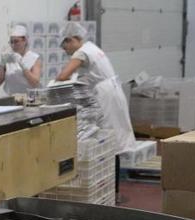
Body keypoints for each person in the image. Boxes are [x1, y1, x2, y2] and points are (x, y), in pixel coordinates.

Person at [55, 22, 136, 153]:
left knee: (107, 129)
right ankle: (121, 158)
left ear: (70, 40)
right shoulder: (92, 47)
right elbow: (93, 73)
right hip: (114, 90)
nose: (67, 52)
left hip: (104, 95)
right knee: (120, 128)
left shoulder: (81, 53)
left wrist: (55, 86)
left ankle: (112, 162)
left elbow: (62, 76)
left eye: (66, 48)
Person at [0, 25, 42, 95]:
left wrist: (22, 65)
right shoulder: (9, 58)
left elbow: (35, 83)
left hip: (30, 99)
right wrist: (2, 63)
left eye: (16, 42)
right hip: (11, 99)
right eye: (11, 42)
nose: (13, 45)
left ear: (25, 41)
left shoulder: (34, 58)